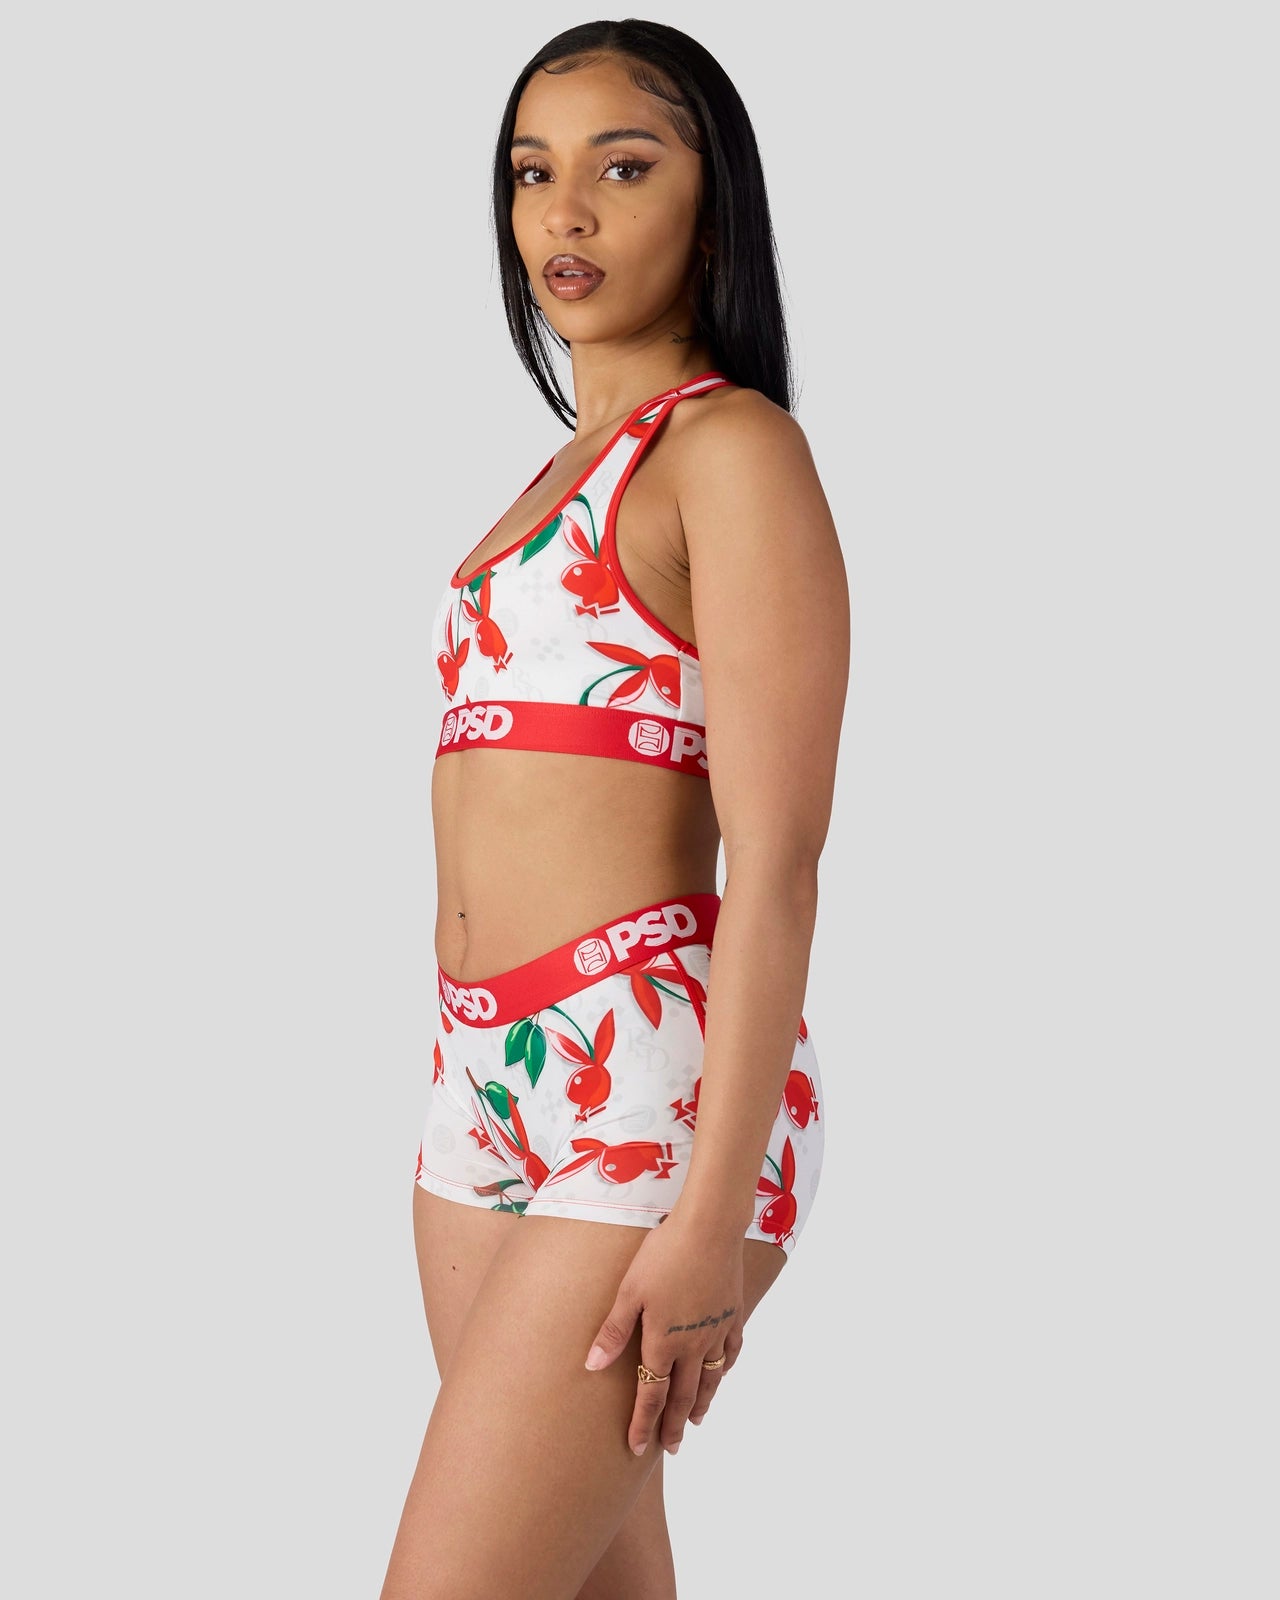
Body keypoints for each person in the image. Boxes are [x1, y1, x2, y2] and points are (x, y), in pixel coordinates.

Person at [380, 19, 848, 1599]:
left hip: (650, 1094)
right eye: (533, 174)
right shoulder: (550, 480)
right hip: (479, 1081)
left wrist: (710, 1221)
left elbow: (778, 864)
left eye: (622, 168)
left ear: (713, 211)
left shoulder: (734, 452)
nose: (564, 214)